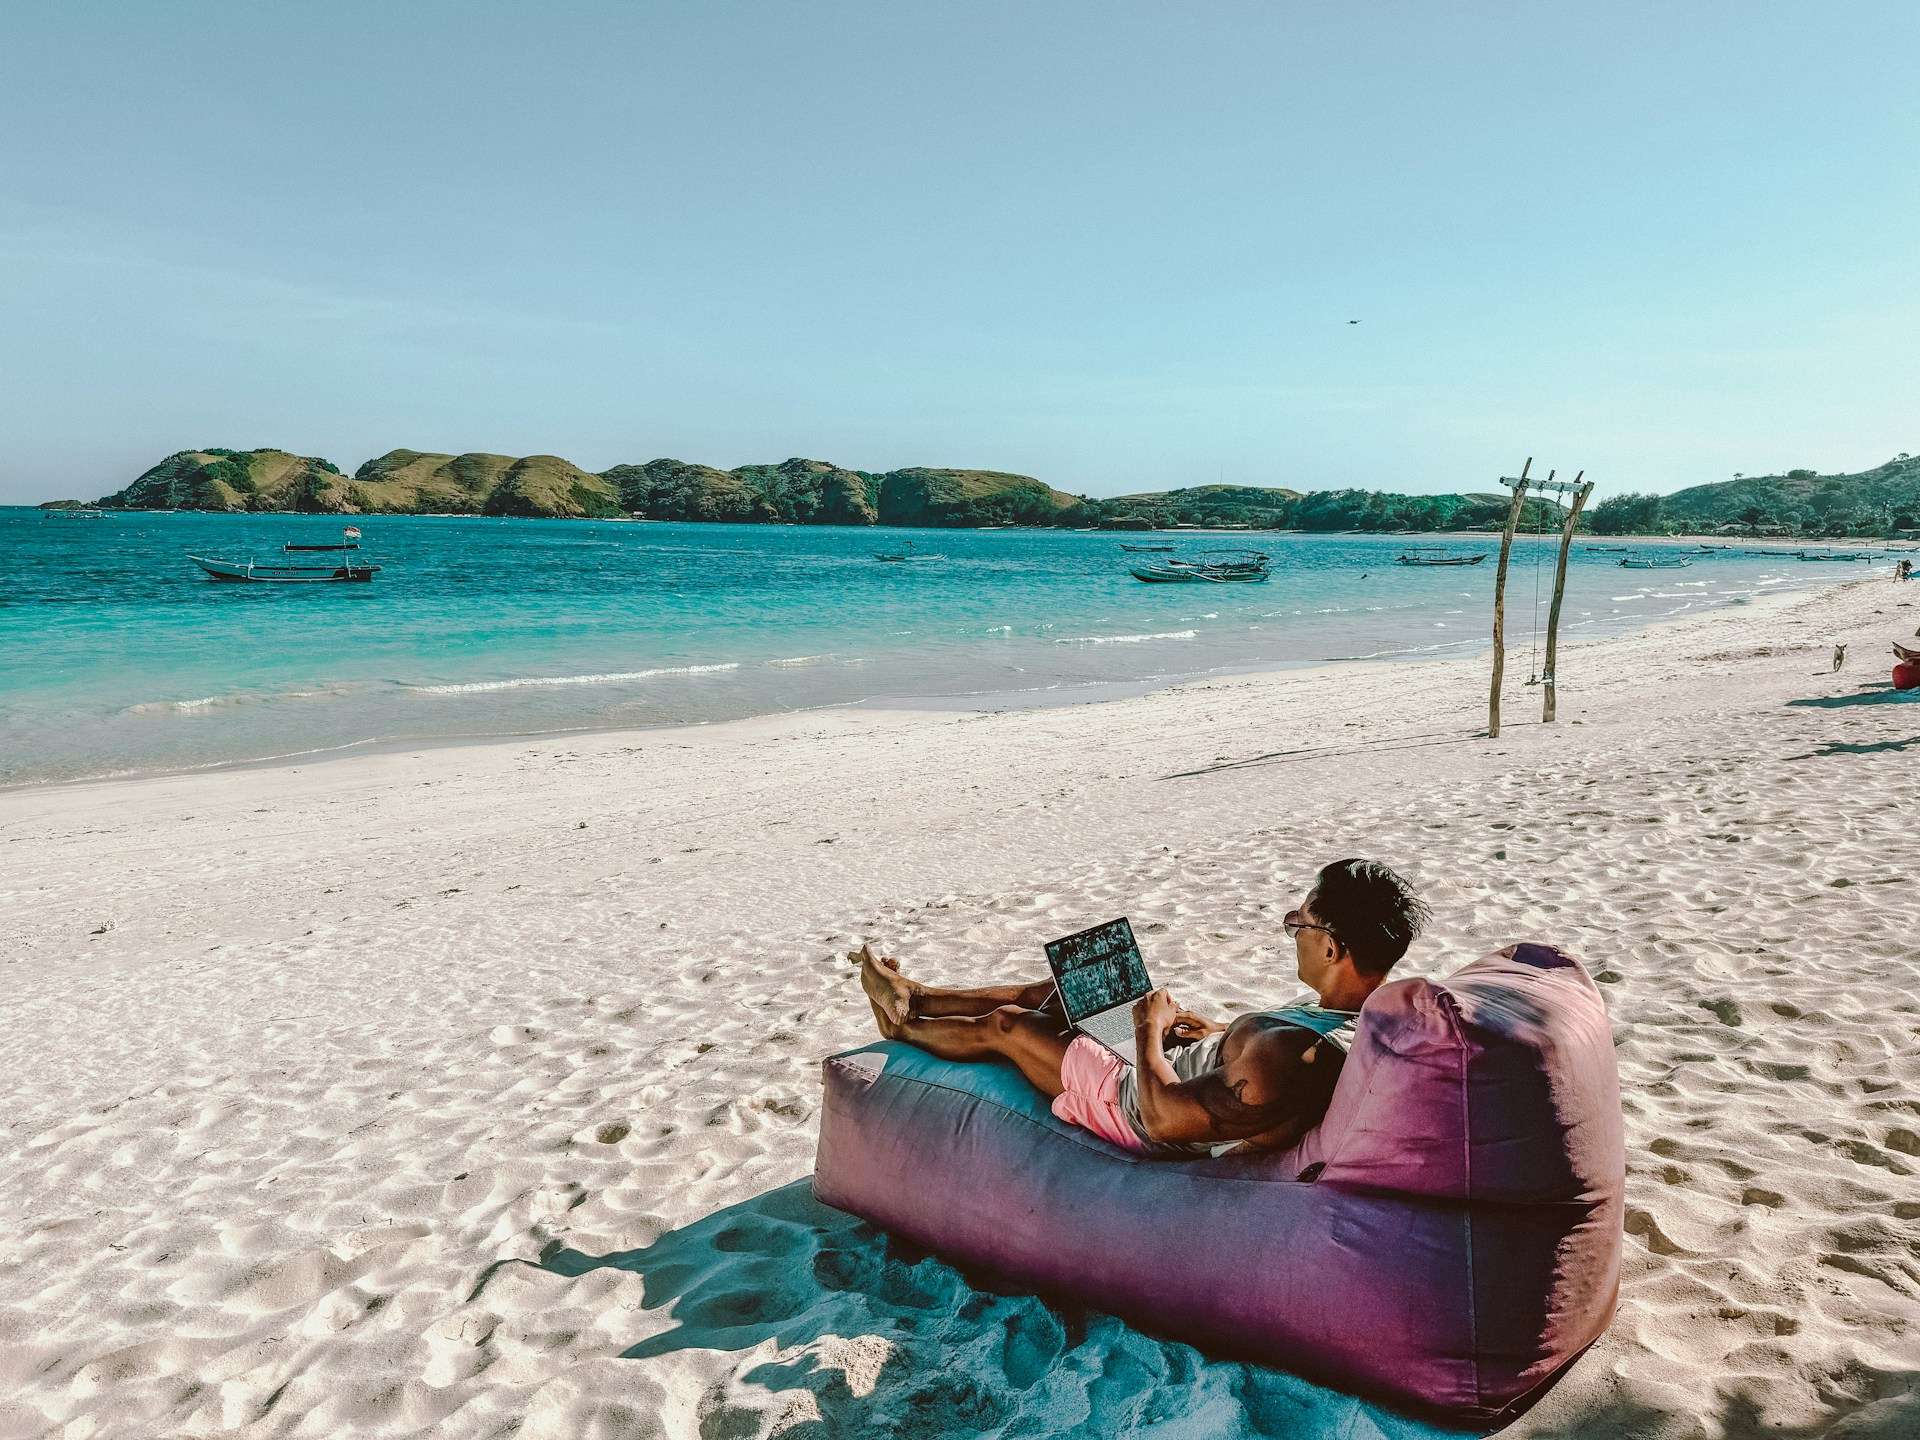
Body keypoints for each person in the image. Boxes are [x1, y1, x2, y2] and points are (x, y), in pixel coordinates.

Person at [854, 858, 1429, 1157]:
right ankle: (922, 995)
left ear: (1332, 947)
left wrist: (1147, 1029)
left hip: (1133, 1102)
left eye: (1298, 922)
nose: (1291, 929)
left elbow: (1162, 1121)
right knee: (1069, 988)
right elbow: (1266, 1056)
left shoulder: (1291, 1058)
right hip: (1178, 1065)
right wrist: (1221, 1032)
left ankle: (903, 1027)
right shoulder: (1354, 1015)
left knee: (1011, 1026)